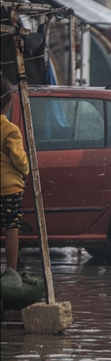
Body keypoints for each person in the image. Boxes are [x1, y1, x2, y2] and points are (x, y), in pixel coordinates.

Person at [0, 76, 29, 274]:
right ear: (8, 104)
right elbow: (19, 160)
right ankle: (11, 272)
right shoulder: (10, 130)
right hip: (9, 187)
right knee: (11, 230)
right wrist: (26, 170)